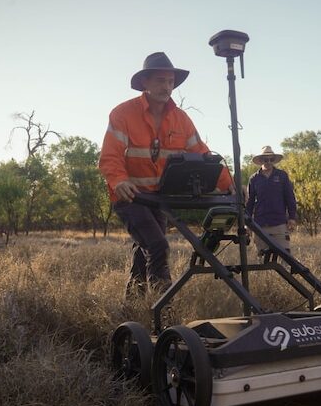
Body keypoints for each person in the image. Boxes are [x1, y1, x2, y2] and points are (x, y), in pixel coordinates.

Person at [99, 52, 233, 298]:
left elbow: (203, 154)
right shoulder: (122, 114)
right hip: (130, 197)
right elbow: (110, 156)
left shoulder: (181, 119)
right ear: (145, 83)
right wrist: (119, 181)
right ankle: (165, 306)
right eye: (160, 80)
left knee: (147, 247)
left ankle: (134, 302)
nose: (166, 86)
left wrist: (230, 184)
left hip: (159, 198)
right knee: (158, 245)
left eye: (170, 81)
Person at [245, 146, 298, 258]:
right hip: (260, 224)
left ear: (274, 160)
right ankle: (267, 276)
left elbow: (290, 197)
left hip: (279, 222)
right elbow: (249, 203)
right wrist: (247, 224)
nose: (268, 162)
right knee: (263, 258)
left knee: (286, 256)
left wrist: (292, 217)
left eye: (271, 159)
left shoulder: (282, 175)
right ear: (261, 160)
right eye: (266, 159)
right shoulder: (254, 179)